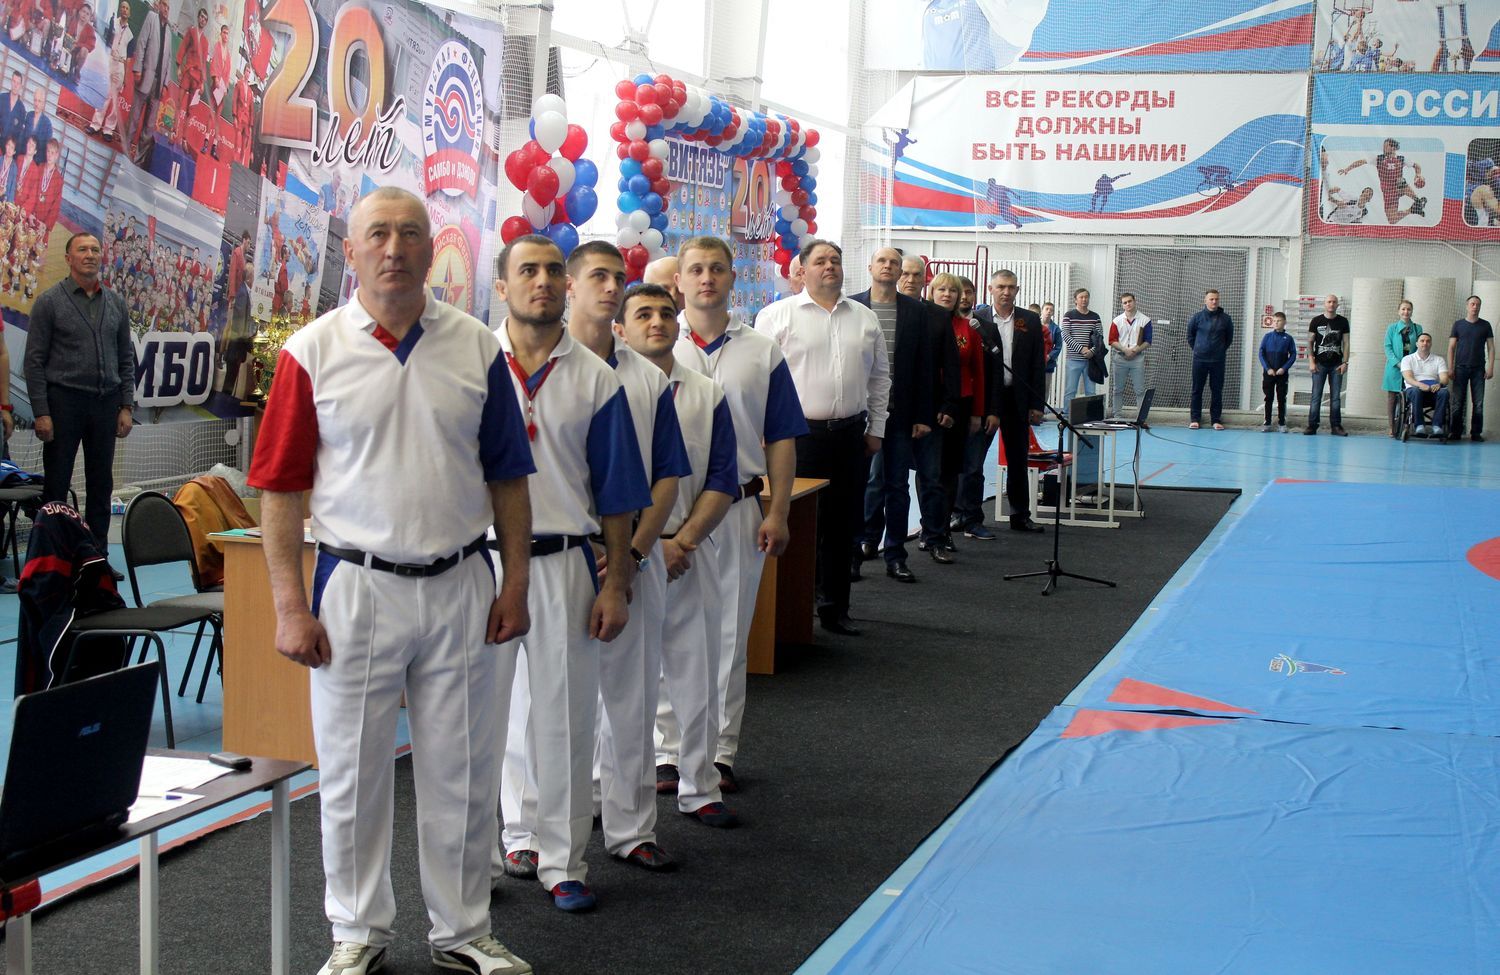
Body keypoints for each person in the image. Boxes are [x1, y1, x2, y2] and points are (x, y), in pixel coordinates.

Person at [248, 188, 535, 975]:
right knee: (351, 771)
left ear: (431, 250)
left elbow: (509, 477)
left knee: (463, 767)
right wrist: (289, 605)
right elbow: (280, 489)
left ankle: (463, 927)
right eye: (378, 233)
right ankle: (357, 931)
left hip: (460, 582)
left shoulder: (475, 347)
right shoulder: (311, 351)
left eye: (411, 233)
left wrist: (514, 583)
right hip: (356, 586)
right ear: (352, 250)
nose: (395, 248)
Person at [492, 235, 650, 914]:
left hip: (564, 560)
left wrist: (616, 582)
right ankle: (494, 848)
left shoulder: (596, 378)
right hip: (482, 561)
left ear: (567, 285)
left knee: (565, 716)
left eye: (555, 270)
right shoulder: (470, 363)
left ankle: (562, 861)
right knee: (479, 717)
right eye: (527, 270)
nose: (544, 281)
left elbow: (617, 493)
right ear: (502, 286)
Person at [562, 241, 689, 875]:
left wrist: (634, 554)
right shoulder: (538, 365)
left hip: (632, 552)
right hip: (560, 552)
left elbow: (667, 476)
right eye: (599, 277)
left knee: (632, 696)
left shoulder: (648, 379)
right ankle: (528, 829)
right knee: (543, 703)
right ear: (570, 286)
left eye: (619, 278)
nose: (611, 288)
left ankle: (632, 827)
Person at [669, 235, 805, 793]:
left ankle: (718, 751)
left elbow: (782, 437)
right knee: (664, 630)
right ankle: (665, 751)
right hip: (667, 514)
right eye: (696, 269)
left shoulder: (762, 351)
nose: (707, 279)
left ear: (732, 277)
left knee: (728, 636)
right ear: (679, 280)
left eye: (717, 269)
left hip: (739, 509)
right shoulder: (654, 342)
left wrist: (779, 510)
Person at [616, 282, 740, 827]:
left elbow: (722, 478)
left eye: (667, 313)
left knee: (696, 676)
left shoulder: (707, 393)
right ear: (620, 329)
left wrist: (681, 540)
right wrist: (642, 545)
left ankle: (700, 786)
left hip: (689, 548)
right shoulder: (604, 387)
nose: (657, 322)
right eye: (643, 314)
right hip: (621, 554)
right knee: (621, 684)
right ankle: (607, 791)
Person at [756, 239, 888, 635]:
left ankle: (835, 608)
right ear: (802, 269)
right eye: (820, 261)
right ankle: (790, 613)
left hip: (850, 435)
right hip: (796, 438)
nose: (829, 266)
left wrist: (877, 429)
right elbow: (759, 381)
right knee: (797, 525)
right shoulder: (776, 316)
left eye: (835, 260)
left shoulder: (865, 318)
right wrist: (762, 432)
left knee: (842, 525)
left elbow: (880, 379)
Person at [23, 233, 134, 553]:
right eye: (82, 249)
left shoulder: (116, 303)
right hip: (63, 404)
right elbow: (33, 362)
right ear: (68, 258)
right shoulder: (49, 302)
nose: (90, 254)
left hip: (105, 403)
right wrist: (41, 412)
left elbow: (125, 358)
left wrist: (126, 405)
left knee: (101, 485)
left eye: (95, 249)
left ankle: (97, 557)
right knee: (56, 484)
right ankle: (53, 558)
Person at [850, 246, 950, 581]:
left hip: (900, 414)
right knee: (860, 485)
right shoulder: (852, 306)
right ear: (870, 267)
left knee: (897, 486)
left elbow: (924, 366)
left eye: (894, 262)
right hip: (857, 413)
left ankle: (895, 555)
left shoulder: (915, 311)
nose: (889, 266)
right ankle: (854, 552)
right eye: (882, 261)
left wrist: (922, 415)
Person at [970, 269, 1046, 533]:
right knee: (974, 460)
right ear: (990, 289)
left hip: (1018, 398)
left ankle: (1020, 515)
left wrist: (1037, 404)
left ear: (1017, 290)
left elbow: (1038, 363)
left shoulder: (1030, 320)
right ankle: (969, 515)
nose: (1006, 292)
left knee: (1018, 459)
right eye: (1001, 286)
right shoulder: (976, 319)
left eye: (1011, 287)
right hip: (985, 399)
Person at [926, 273, 987, 555]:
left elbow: (979, 373)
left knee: (950, 472)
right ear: (931, 292)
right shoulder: (921, 323)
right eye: (942, 289)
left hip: (960, 406)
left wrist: (977, 413)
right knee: (928, 472)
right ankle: (927, 528)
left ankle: (943, 530)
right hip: (927, 405)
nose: (948, 294)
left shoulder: (968, 328)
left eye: (953, 290)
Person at [1339, 139, 1426, 223]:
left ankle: (1418, 201)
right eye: (1383, 146)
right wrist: (1347, 169)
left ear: (1393, 147)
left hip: (1399, 187)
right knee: (1392, 220)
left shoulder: (1401, 159)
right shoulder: (1379, 159)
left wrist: (1418, 174)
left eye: (1386, 146)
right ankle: (1412, 210)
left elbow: (1417, 166)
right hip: (1389, 193)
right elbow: (1361, 161)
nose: (1383, 148)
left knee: (1400, 181)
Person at [1446, 295, 1496, 442]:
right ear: (1467, 306)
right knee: (1457, 402)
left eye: (1478, 304)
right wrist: (1450, 367)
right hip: (1460, 368)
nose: (1475, 307)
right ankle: (1455, 432)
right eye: (1472, 304)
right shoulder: (1458, 325)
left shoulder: (1485, 325)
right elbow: (1451, 347)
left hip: (1478, 369)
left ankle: (1476, 433)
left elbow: (1491, 348)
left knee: (1478, 403)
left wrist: (1490, 367)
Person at [1186, 288, 1234, 430]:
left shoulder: (1226, 319)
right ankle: (1195, 419)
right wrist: (1198, 349)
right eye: (1211, 299)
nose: (1214, 302)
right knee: (1197, 390)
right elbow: (1190, 336)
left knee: (1217, 390)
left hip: (1218, 361)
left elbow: (1229, 339)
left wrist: (1219, 351)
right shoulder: (1197, 318)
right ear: (1205, 300)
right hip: (1199, 360)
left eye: (1216, 299)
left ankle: (1216, 420)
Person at [1305, 293, 1350, 436]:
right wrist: (1311, 361)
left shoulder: (1343, 322)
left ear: (1337, 305)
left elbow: (1346, 343)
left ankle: (1336, 426)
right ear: (1325, 304)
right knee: (1316, 396)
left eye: (1334, 302)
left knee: (1335, 397)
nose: (1331, 304)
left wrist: (1345, 362)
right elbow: (1310, 342)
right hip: (1319, 364)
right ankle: (1312, 425)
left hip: (1336, 365)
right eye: (1329, 301)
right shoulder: (1316, 321)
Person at [87, 1, 133, 142]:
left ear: (130, 13)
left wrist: (125, 77)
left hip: (120, 65)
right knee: (104, 94)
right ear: (120, 10)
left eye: (127, 8)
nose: (124, 10)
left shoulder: (131, 35)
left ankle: (108, 129)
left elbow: (129, 58)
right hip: (110, 60)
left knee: (115, 100)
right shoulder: (112, 24)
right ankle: (95, 124)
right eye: (123, 7)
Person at [1383, 300, 1422, 437]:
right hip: (1394, 368)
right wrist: (1397, 363)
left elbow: (1419, 347)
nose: (1406, 312)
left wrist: (1410, 365)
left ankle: (1408, 426)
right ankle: (1392, 427)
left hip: (1411, 369)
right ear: (1399, 311)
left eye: (1409, 309)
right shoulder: (1392, 328)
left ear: (1412, 311)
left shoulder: (1417, 328)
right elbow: (1387, 347)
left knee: (1411, 396)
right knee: (1392, 398)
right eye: (1403, 309)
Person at [1108, 292, 1151, 417]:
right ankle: (1117, 415)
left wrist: (1135, 350)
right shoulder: (1117, 321)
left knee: (1140, 390)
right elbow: (1111, 340)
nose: (1128, 304)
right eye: (1125, 303)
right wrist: (1124, 350)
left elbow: (1148, 341)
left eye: (1130, 301)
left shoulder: (1145, 320)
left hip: (1137, 358)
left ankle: (1141, 417)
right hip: (1120, 358)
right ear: (1122, 305)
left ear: (1134, 301)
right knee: (1117, 389)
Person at [1401, 333, 1450, 438]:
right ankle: (1419, 426)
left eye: (1428, 341)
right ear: (1417, 344)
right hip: (1414, 388)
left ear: (1431, 344)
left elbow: (1445, 378)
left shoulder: (1439, 360)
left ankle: (1437, 426)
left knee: (1444, 392)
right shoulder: (1407, 359)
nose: (1425, 343)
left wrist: (1440, 384)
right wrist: (1420, 385)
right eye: (1422, 341)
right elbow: (1408, 378)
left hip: (1433, 389)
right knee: (1416, 391)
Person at [174, 7, 209, 149]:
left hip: (197, 78)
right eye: (201, 17)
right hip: (187, 72)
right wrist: (179, 67)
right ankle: (174, 132)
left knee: (191, 110)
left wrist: (202, 83)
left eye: (205, 19)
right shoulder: (191, 32)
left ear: (206, 22)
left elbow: (204, 63)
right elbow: (183, 48)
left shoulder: (205, 42)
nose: (202, 20)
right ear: (198, 18)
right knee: (178, 103)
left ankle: (184, 139)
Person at [1258, 311, 1297, 432]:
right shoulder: (1267, 337)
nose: (1276, 323)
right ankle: (1267, 422)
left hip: (1282, 374)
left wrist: (1284, 368)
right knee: (1268, 397)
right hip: (1269, 373)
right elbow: (1261, 353)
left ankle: (1282, 422)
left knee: (1281, 398)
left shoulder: (1288, 338)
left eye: (1279, 321)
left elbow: (1293, 355)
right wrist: (1267, 368)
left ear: (1284, 322)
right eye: (1274, 321)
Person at [1059, 288, 1100, 401]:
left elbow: (1099, 338)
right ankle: (1067, 412)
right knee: (1070, 391)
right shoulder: (1069, 315)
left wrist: (1092, 351)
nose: (1084, 299)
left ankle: (1091, 412)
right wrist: (1081, 349)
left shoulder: (1095, 317)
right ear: (1075, 300)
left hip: (1091, 360)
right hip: (1073, 359)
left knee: (1091, 391)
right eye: (1081, 297)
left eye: (1086, 297)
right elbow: (1065, 335)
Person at [25, 88, 50, 164]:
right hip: (24, 158)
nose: (36, 104)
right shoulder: (29, 115)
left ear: (43, 104)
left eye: (39, 101)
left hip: (37, 163)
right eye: (35, 100)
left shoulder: (47, 123)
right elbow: (24, 139)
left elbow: (46, 149)